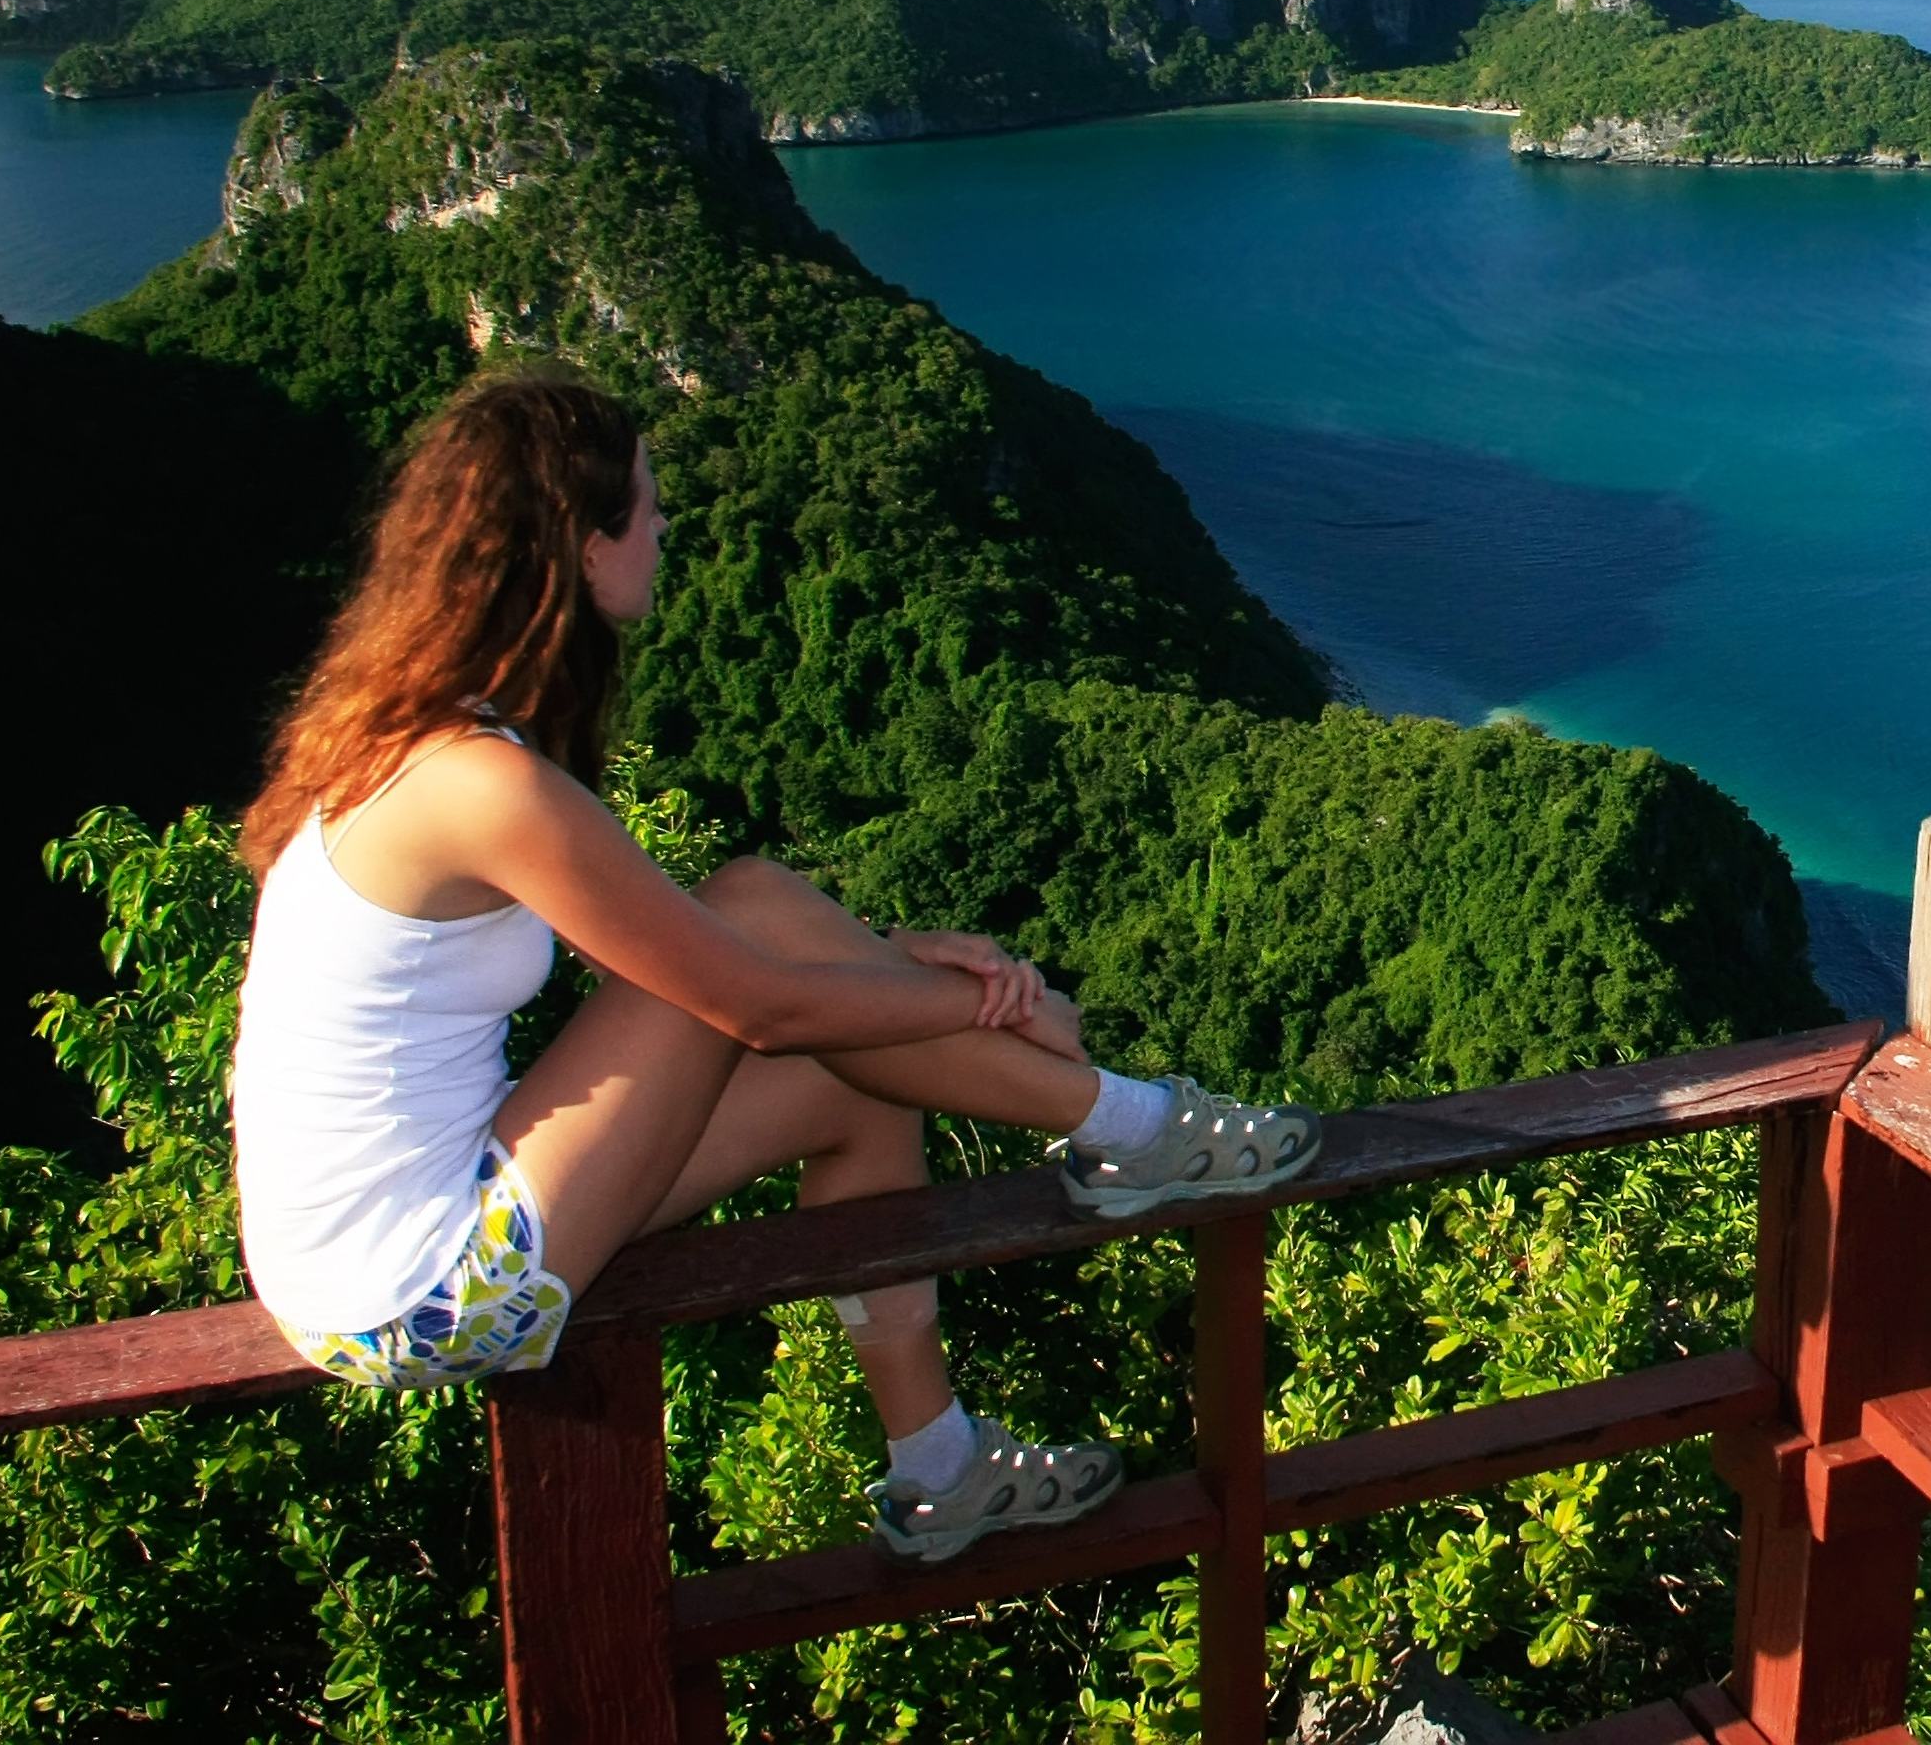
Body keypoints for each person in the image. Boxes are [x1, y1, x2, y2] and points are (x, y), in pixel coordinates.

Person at [228, 366, 1321, 1562]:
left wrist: (907, 962)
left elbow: (720, 969)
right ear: (580, 550)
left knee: (855, 1072)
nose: (665, 527)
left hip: (413, 1230)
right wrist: (990, 997)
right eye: (645, 507)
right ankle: (1132, 1125)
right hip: (417, 1290)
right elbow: (749, 1002)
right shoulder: (475, 784)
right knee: (760, 931)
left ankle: (939, 1466)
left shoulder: (416, 731)